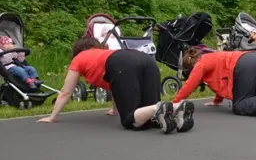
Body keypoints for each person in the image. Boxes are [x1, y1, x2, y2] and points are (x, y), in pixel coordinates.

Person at [37, 37, 194, 134]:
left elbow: (66, 91)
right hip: (144, 59)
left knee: (129, 120)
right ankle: (177, 107)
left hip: (122, 63)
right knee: (149, 120)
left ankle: (159, 107)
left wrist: (52, 117)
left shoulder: (79, 58)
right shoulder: (104, 53)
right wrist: (114, 109)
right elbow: (116, 85)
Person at [174, 48, 256, 117]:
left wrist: (174, 103)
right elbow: (220, 80)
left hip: (245, 64)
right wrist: (217, 101)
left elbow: (189, 85)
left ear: (190, 65)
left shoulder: (200, 64)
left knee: (239, 106)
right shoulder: (211, 56)